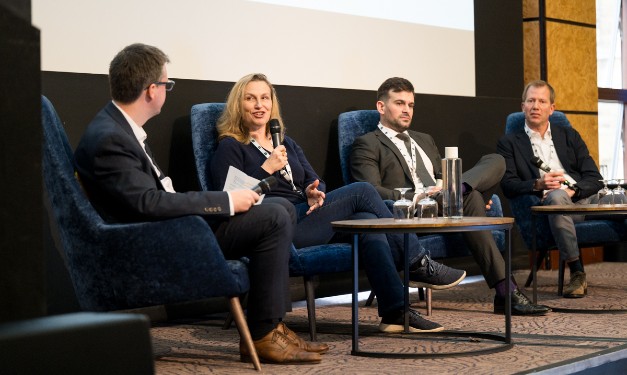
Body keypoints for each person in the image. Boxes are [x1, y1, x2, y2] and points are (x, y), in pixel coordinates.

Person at [73, 44, 326, 364]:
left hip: (175, 229)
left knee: (279, 210)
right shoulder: (111, 136)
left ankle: (270, 327)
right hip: (154, 243)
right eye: (167, 85)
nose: (167, 91)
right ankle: (263, 333)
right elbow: (148, 204)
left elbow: (153, 198)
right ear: (152, 90)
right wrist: (225, 200)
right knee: (276, 213)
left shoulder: (119, 129)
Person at [210, 73, 467, 334]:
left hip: (308, 215)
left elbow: (316, 180)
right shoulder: (230, 146)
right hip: (277, 229)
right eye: (250, 98)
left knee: (368, 223)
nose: (259, 105)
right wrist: (266, 168)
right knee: (363, 191)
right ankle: (417, 262)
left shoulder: (286, 142)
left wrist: (314, 191)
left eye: (265, 98)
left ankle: (395, 312)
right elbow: (229, 199)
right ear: (237, 105)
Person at [350, 77, 550, 315]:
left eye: (411, 105)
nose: (406, 110)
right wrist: (421, 194)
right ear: (381, 107)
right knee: (473, 199)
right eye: (400, 103)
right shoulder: (367, 144)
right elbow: (370, 191)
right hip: (414, 211)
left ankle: (460, 190)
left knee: (495, 161)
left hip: (445, 201)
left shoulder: (424, 139)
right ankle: (506, 291)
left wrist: (449, 189)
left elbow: (440, 174)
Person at [497, 80, 604, 298]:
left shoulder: (569, 136)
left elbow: (595, 178)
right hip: (551, 204)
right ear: (523, 106)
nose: (535, 106)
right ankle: (577, 272)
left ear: (552, 108)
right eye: (531, 101)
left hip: (583, 198)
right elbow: (508, 185)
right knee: (556, 198)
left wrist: (573, 192)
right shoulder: (510, 143)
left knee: (619, 197)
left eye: (542, 101)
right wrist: (538, 184)